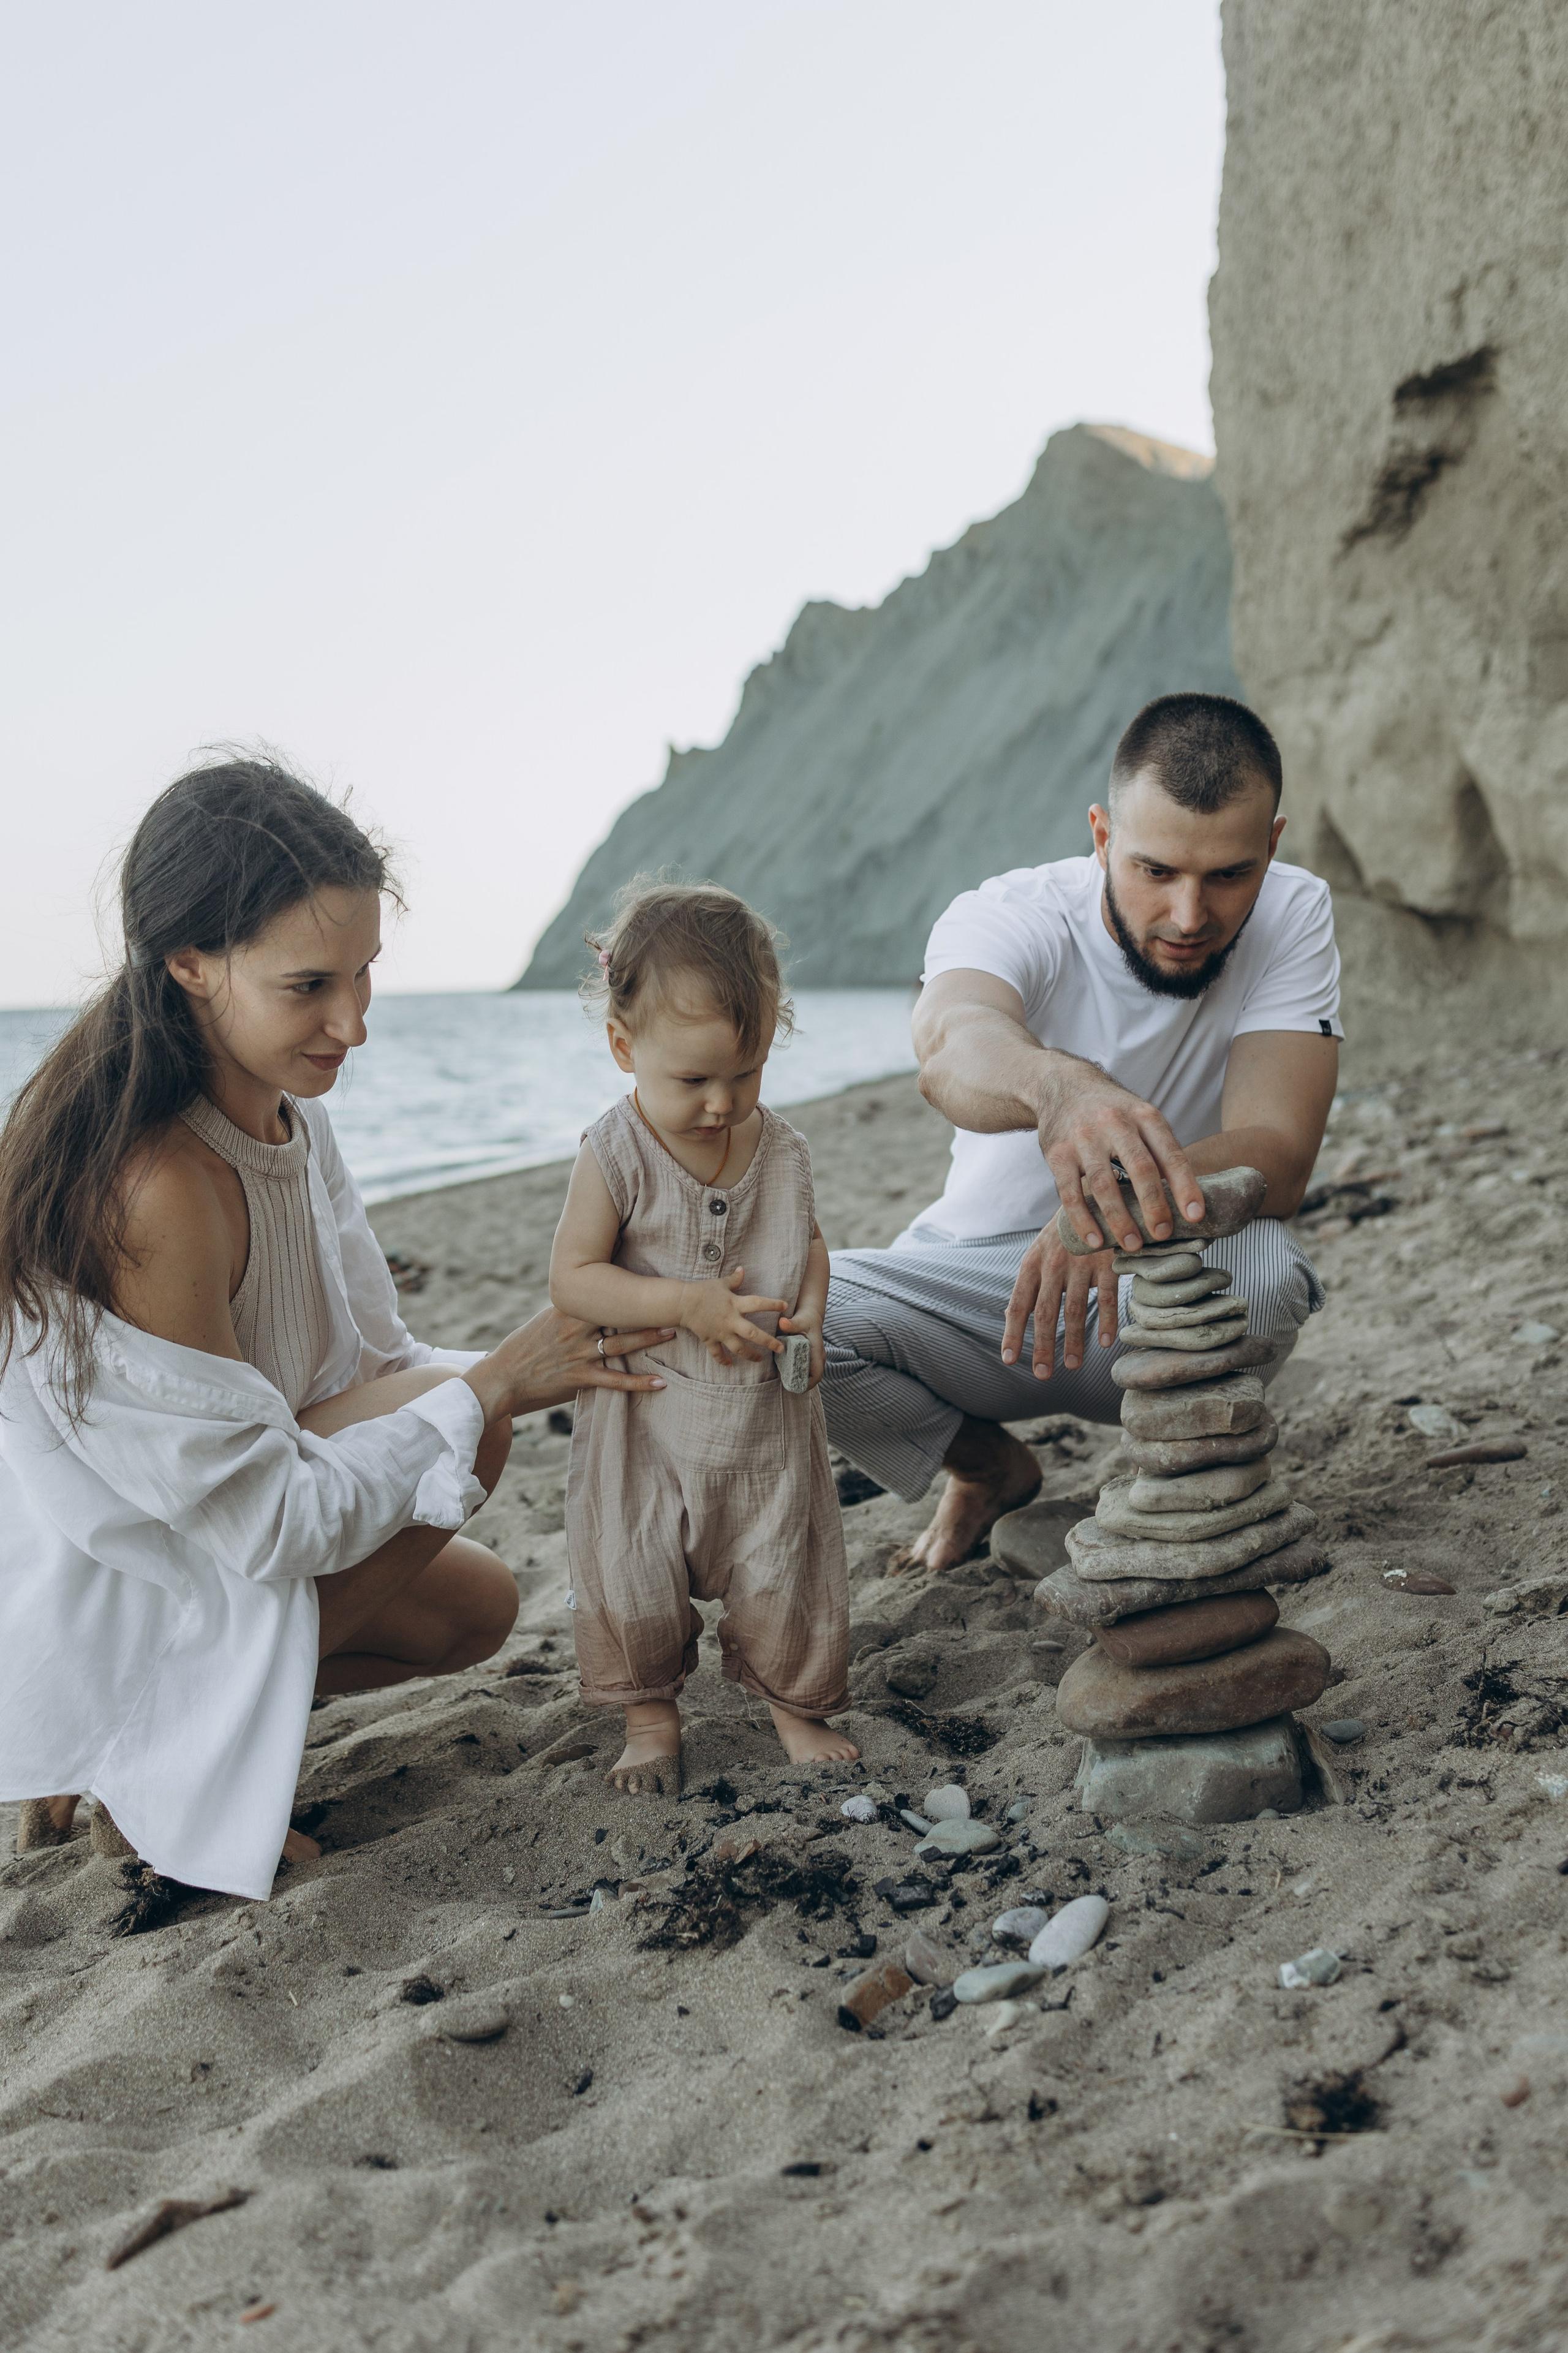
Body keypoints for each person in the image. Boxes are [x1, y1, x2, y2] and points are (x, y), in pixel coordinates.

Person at [0, 757, 670, 1902]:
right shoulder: (160, 1185)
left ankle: (138, 1752)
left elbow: (373, 1357)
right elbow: (267, 1522)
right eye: (309, 984)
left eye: (364, 975)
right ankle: (162, 1765)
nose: (352, 1023)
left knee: (480, 1607)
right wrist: (495, 1384)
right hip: (130, 1571)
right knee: (471, 1425)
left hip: (222, 1519)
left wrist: (552, 1357)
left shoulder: (286, 1113)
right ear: (189, 964)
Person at [821, 691, 1341, 1573]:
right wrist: (1061, 1088)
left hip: (1147, 1288)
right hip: (979, 1294)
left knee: (1270, 1274)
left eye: (1228, 875)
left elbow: (1279, 1155)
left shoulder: (1293, 911)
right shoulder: (1016, 911)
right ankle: (987, 1469)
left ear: (1273, 847)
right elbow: (950, 1045)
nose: (1189, 914)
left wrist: (1109, 1207)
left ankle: (1181, 1490)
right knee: (778, 1312)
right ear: (1102, 837)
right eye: (1156, 871)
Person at [549, 878, 853, 1795]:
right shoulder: (616, 1154)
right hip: (646, 1417)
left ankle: (795, 1707)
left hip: (762, 1417)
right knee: (633, 1566)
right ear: (622, 1046)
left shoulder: (785, 1152)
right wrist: (684, 1304)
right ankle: (650, 1717)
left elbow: (808, 1245)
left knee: (781, 1563)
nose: (722, 1102)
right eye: (692, 1080)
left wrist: (812, 1309)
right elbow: (572, 1279)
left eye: (747, 1071)